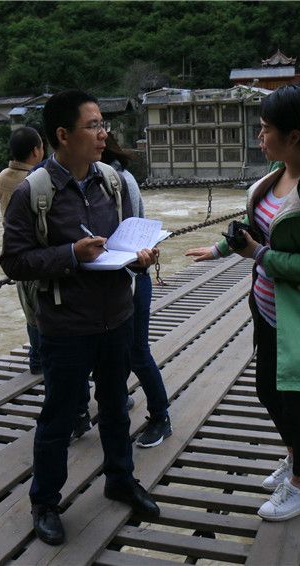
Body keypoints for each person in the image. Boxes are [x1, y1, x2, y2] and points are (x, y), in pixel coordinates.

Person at [185, 83, 300, 522]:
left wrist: (257, 255)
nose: (259, 137)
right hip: (266, 308)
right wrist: (220, 249)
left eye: (265, 129)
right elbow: (256, 228)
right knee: (267, 389)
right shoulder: (279, 172)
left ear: (293, 135)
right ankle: (296, 457)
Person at [0, 89, 160, 546]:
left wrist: (139, 258)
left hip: (116, 317)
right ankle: (45, 502)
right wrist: (71, 253)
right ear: (63, 135)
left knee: (115, 407)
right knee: (58, 416)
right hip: (66, 326)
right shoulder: (34, 192)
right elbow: (13, 261)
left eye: (102, 124)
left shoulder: (110, 181)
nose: (103, 133)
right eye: (92, 126)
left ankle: (120, 479)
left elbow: (122, 244)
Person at [100, 132, 173, 448]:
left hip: (130, 276)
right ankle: (120, 399)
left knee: (137, 352)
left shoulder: (117, 180)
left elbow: (130, 231)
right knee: (112, 350)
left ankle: (161, 417)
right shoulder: (108, 177)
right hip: (115, 279)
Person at [0, 126, 46, 374]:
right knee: (43, 312)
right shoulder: (35, 180)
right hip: (37, 253)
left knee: (29, 313)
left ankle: (35, 360)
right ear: (36, 151)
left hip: (15, 251)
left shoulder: (3, 177)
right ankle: (42, 360)